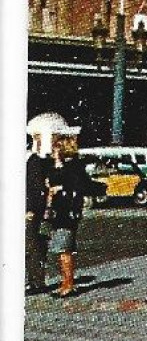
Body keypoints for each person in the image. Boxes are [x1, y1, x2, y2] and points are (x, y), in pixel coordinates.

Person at [43, 124, 92, 297]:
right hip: (61, 211)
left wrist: (60, 187)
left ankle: (68, 284)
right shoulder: (63, 166)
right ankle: (65, 282)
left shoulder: (74, 167)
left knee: (65, 249)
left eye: (57, 148)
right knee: (61, 248)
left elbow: (77, 186)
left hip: (67, 212)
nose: (54, 151)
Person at [25, 143, 51, 294]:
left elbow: (35, 187)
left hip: (28, 210)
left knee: (30, 246)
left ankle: (36, 281)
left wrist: (30, 208)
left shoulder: (33, 161)